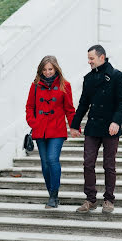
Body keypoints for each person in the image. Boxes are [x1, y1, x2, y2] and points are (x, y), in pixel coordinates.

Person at [70, 44, 122, 214]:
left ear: (101, 57)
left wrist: (116, 121)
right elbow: (83, 104)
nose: (89, 61)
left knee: (109, 165)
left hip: (111, 128)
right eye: (88, 58)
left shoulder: (118, 76)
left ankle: (109, 199)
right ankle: (90, 199)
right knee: (88, 163)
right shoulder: (88, 78)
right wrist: (75, 124)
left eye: (91, 58)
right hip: (93, 127)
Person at [25, 55, 77, 208]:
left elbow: (69, 109)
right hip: (40, 130)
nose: (47, 72)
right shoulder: (35, 86)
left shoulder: (64, 85)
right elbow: (29, 107)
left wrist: (74, 126)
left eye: (50, 69)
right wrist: (33, 122)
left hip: (57, 130)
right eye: (45, 69)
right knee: (45, 164)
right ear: (40, 70)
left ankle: (53, 196)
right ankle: (52, 195)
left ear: (56, 69)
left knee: (52, 159)